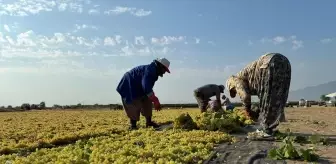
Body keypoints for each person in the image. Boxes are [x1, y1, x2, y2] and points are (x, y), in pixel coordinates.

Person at [225, 53, 291, 137]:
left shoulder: (234, 80)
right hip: (285, 63)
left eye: (234, 91)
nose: (236, 92)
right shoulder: (249, 77)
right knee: (278, 96)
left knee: (268, 98)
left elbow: (245, 96)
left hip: (268, 63)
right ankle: (270, 127)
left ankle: (266, 130)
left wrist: (247, 109)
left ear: (230, 86)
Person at [116, 57, 171, 130]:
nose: (164, 72)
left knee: (147, 101)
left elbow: (147, 89)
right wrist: (155, 100)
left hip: (139, 87)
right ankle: (133, 125)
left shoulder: (154, 72)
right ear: (160, 66)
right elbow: (146, 87)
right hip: (128, 84)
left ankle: (149, 122)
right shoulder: (149, 71)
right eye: (164, 70)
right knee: (134, 104)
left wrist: (152, 99)